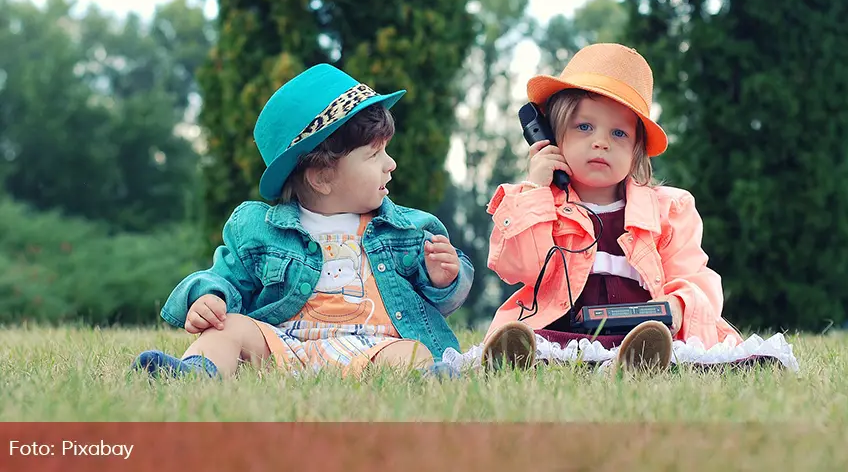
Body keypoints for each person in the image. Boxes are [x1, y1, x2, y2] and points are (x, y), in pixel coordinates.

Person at [132, 64, 473, 380]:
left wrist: (443, 279)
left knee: (412, 352)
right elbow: (226, 277)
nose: (391, 164)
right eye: (374, 155)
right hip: (284, 344)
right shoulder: (259, 229)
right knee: (228, 327)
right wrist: (210, 298)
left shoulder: (404, 230)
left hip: (373, 347)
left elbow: (441, 300)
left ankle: (431, 379)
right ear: (322, 177)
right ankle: (196, 372)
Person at [481, 43, 742, 373]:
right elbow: (518, 266)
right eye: (584, 127)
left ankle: (635, 363)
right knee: (539, 344)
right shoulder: (537, 202)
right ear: (550, 137)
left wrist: (676, 305)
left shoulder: (668, 210)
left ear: (636, 150)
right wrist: (536, 191)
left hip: (641, 333)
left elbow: (695, 277)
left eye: (619, 132)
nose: (601, 142)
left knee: (663, 346)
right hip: (563, 332)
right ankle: (519, 359)